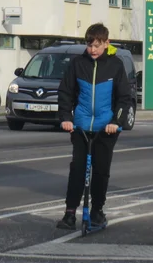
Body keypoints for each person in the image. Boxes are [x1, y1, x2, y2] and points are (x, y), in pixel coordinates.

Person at [55, 23, 133, 230]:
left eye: (98, 45)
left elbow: (124, 99)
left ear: (107, 43)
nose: (93, 50)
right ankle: (70, 213)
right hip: (81, 128)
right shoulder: (78, 64)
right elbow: (65, 92)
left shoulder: (115, 65)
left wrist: (116, 122)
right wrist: (66, 117)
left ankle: (97, 210)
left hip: (105, 129)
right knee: (78, 169)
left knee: (100, 171)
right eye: (90, 45)